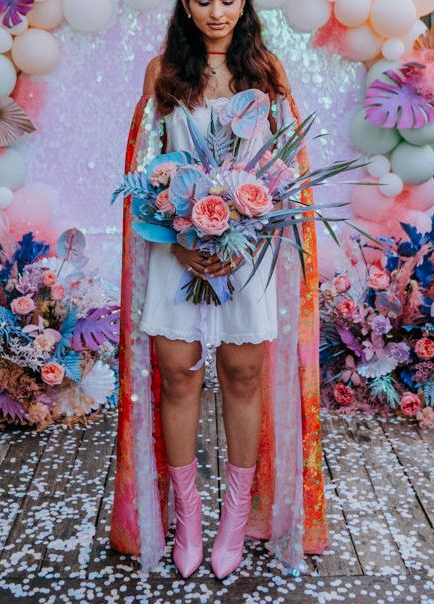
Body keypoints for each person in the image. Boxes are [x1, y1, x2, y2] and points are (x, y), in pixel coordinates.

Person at [109, 0, 328, 579]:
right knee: (178, 374)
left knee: (242, 374)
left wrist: (243, 237)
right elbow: (145, 167)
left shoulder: (266, 70)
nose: (216, 12)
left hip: (248, 257)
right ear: (185, 3)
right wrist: (179, 238)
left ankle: (233, 521)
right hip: (173, 251)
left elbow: (286, 175)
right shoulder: (164, 73)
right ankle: (186, 518)